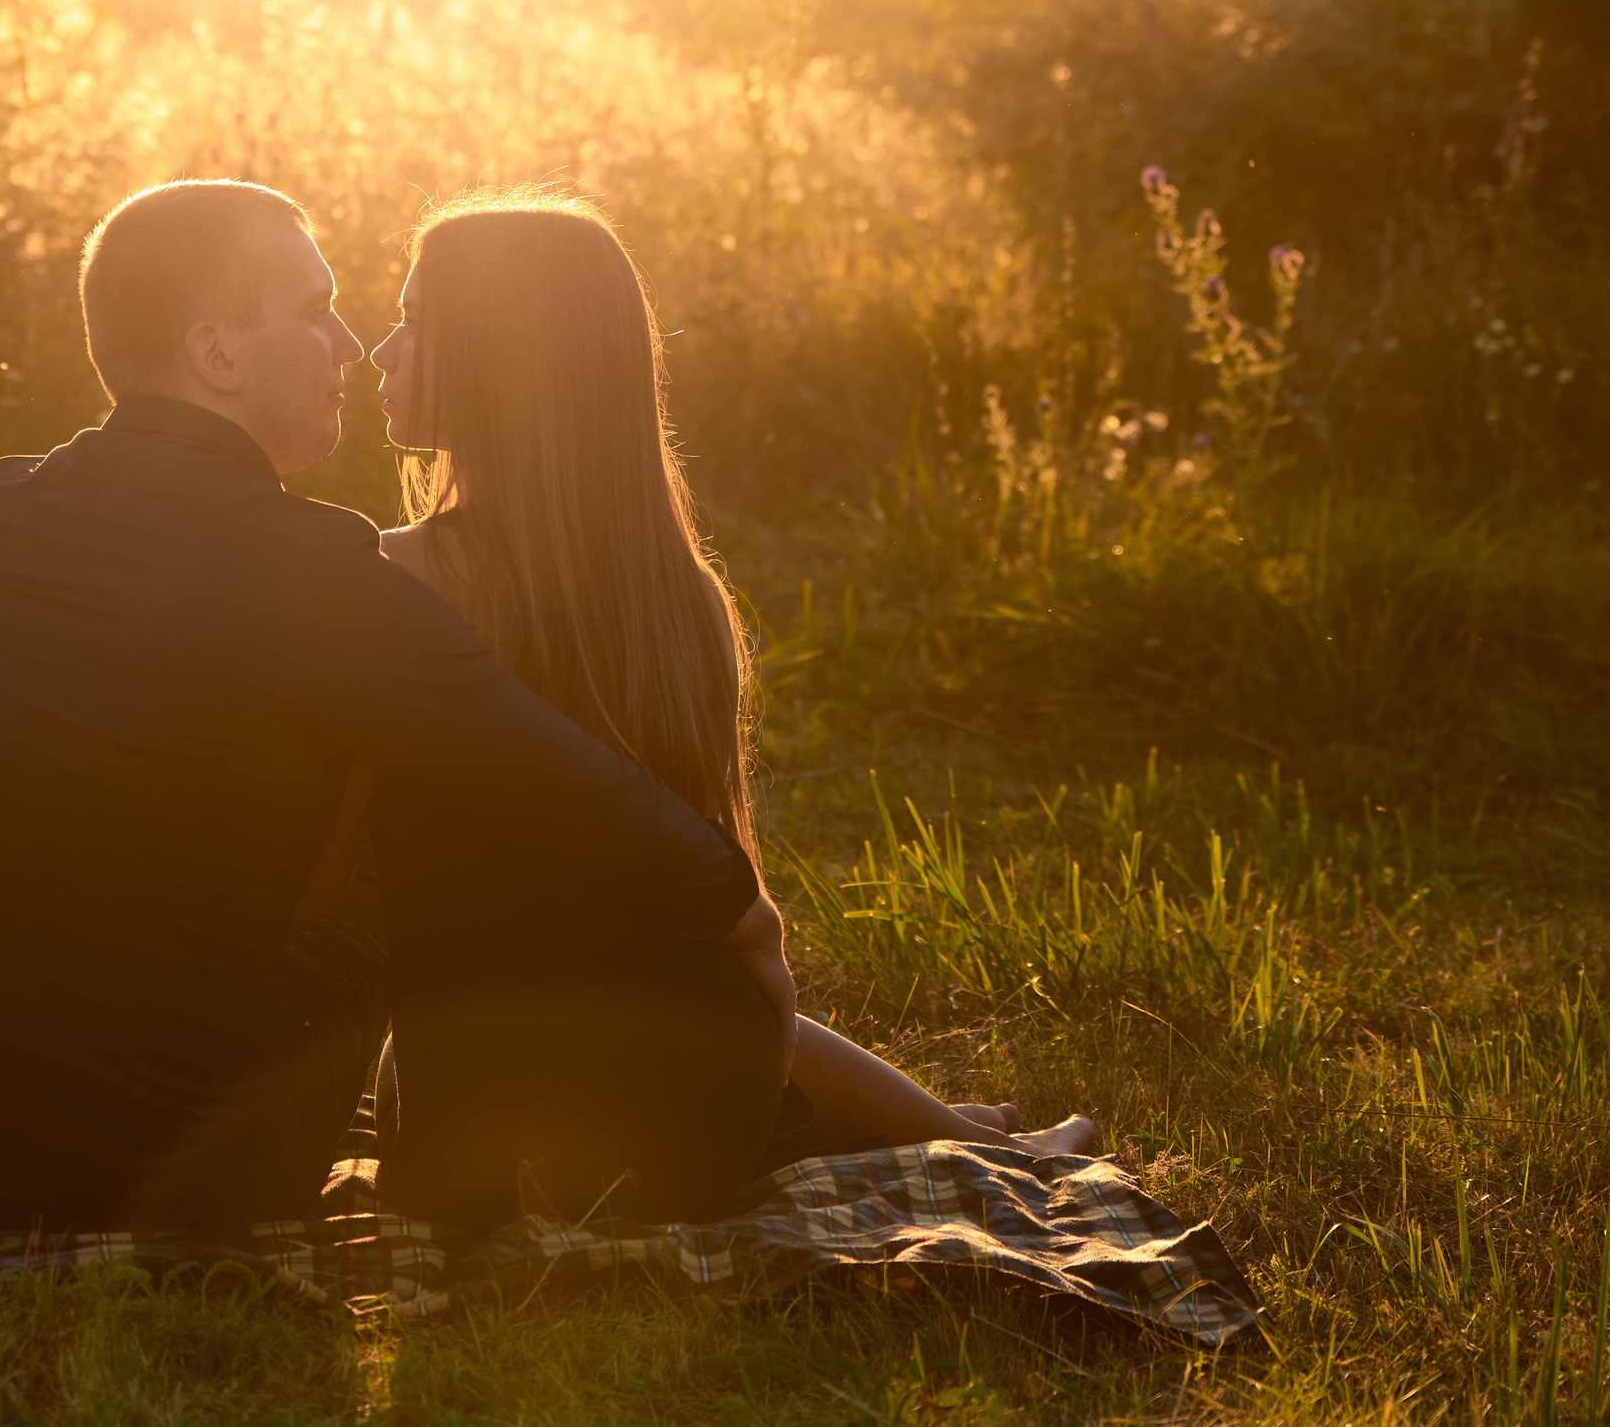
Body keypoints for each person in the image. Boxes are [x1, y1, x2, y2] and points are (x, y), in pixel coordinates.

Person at [0, 179, 798, 1232]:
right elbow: (564, 782)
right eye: (315, 311)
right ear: (217, 355)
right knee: (416, 764)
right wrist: (746, 917)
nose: (348, 345)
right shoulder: (321, 579)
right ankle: (455, 1130)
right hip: (201, 1165)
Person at [357, 188, 1096, 1232]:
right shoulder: (680, 595)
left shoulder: (389, 580)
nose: (379, 351)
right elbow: (700, 922)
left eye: (413, 321)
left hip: (475, 1109)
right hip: (694, 1108)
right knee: (682, 982)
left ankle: (954, 1132)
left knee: (520, 1011)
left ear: (495, 359)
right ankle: (963, 1136)